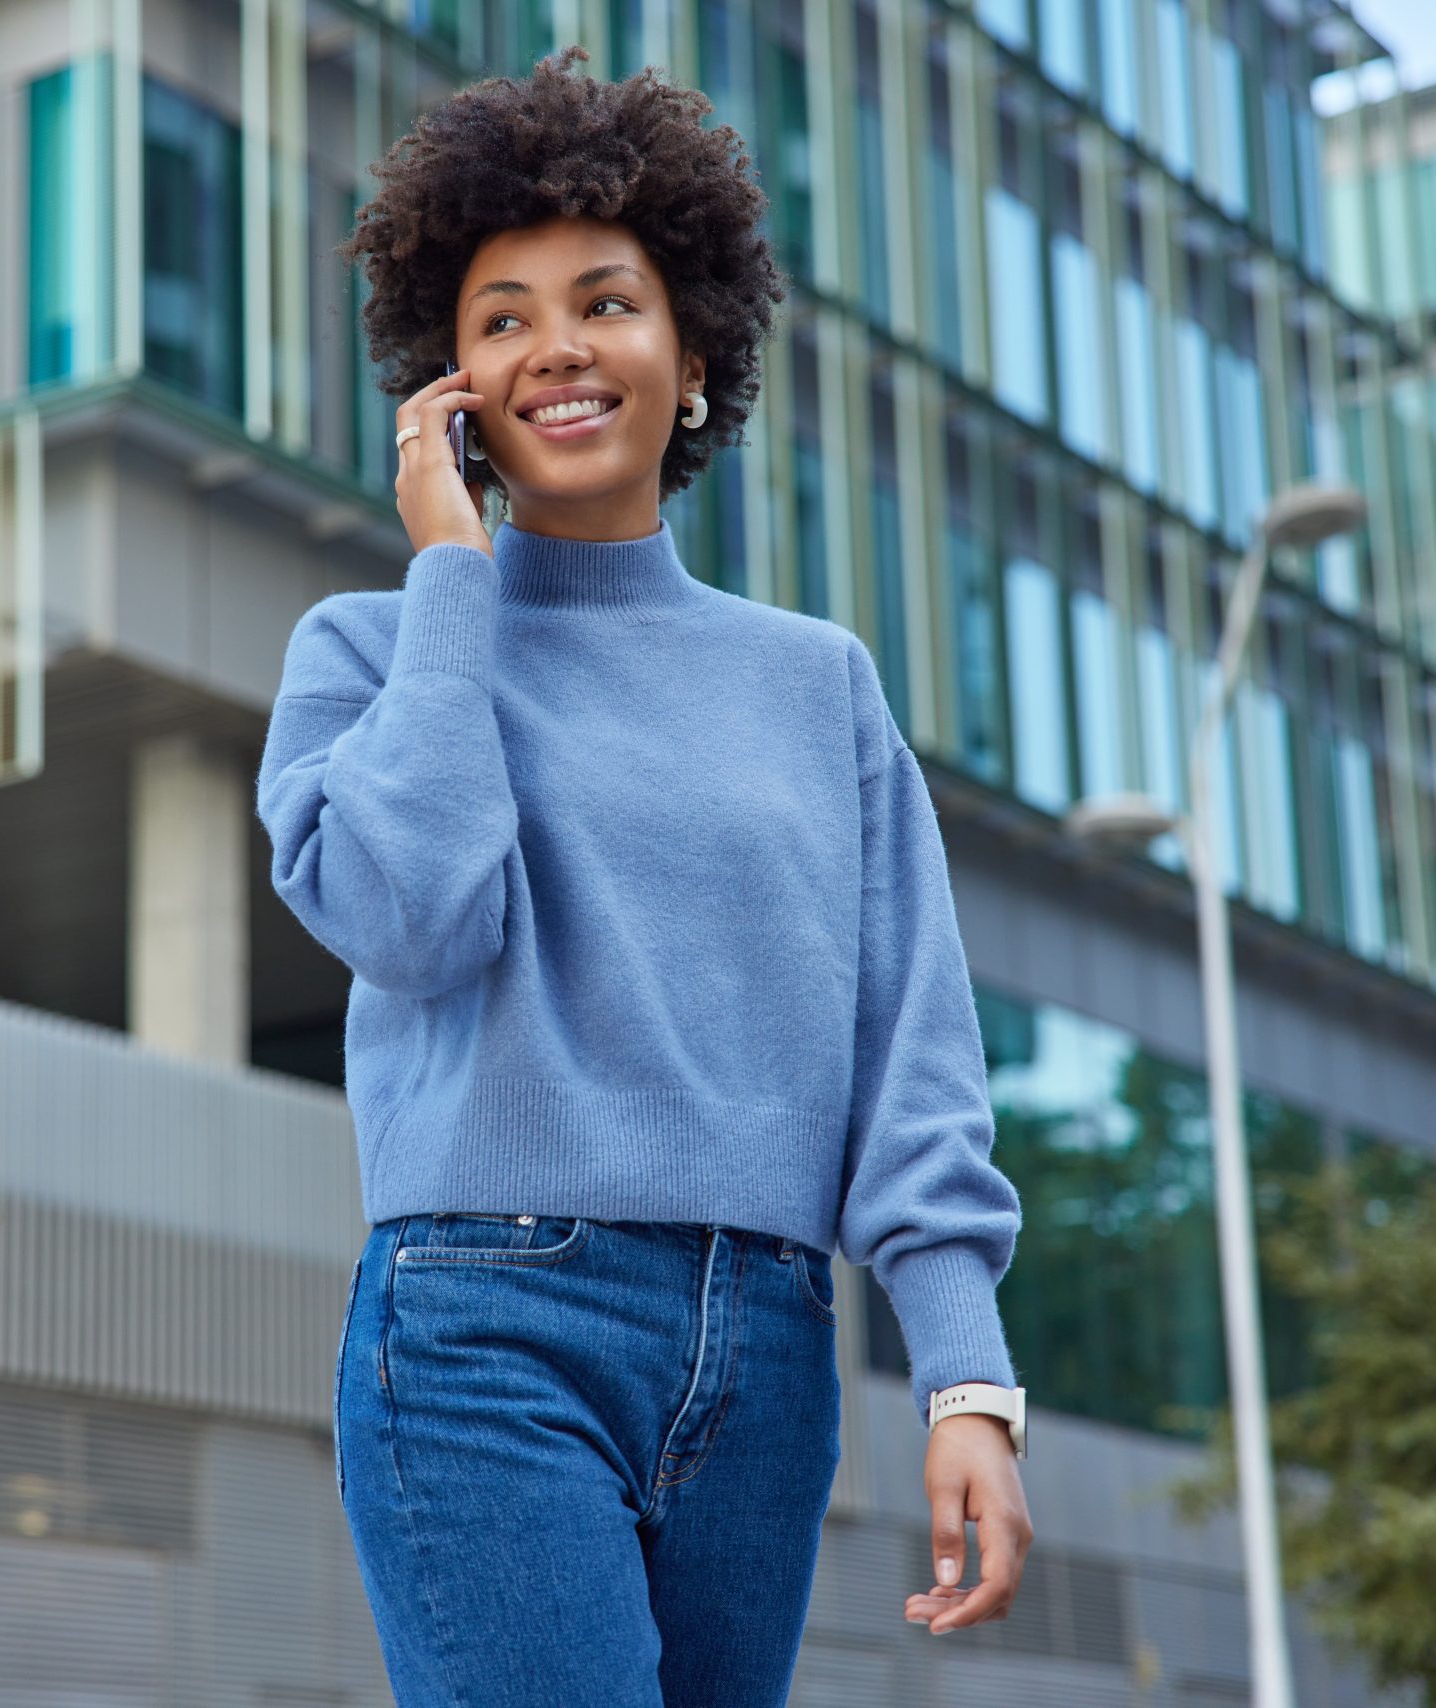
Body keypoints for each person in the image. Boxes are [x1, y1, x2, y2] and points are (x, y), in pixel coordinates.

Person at [255, 45, 1031, 1707]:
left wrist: (965, 1378)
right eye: (502, 317)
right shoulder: (368, 654)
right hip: (483, 1327)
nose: (557, 348)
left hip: (767, 1346)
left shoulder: (818, 681)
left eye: (605, 301)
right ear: (447, 383)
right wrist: (454, 584)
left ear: (690, 366)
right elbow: (412, 916)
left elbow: (914, 1047)